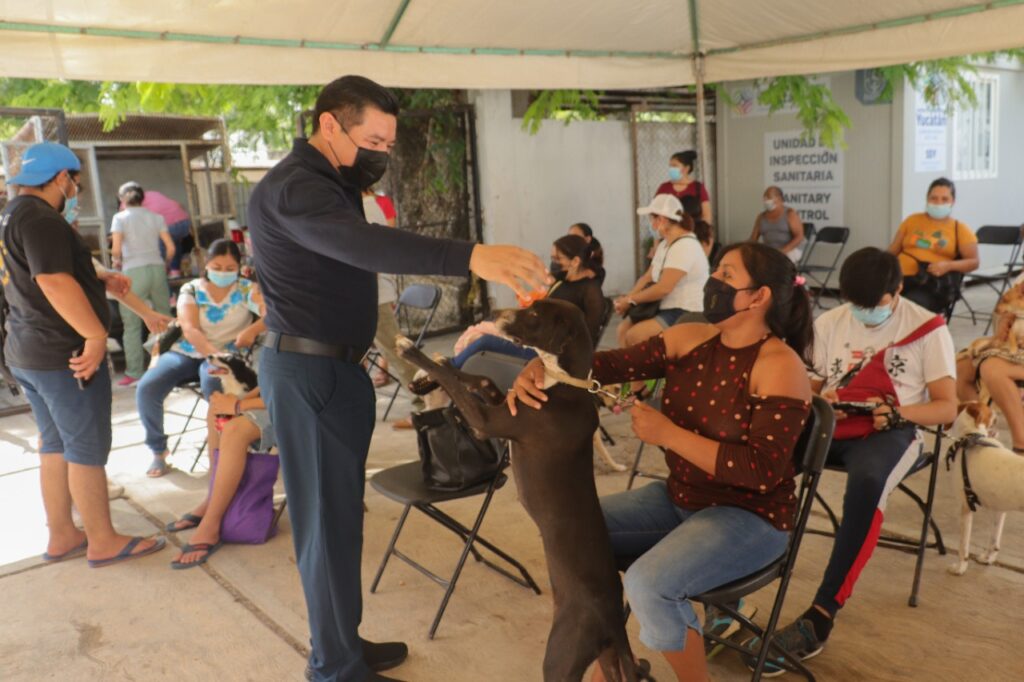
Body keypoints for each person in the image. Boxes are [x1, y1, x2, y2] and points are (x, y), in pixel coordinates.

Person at [246, 75, 548, 682]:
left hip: (333, 369)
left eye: (389, 143)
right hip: (310, 372)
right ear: (330, 124)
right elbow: (364, 246)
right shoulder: (297, 187)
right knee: (324, 526)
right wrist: (470, 256)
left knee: (340, 520)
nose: (382, 154)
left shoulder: (330, 181)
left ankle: (342, 644)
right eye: (373, 141)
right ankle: (335, 668)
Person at [508, 242, 814, 682]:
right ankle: (615, 665)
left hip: (751, 517)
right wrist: (541, 369)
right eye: (717, 271)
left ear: (758, 297)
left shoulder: (779, 365)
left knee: (648, 584)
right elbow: (601, 366)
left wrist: (669, 434)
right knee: (566, 532)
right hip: (680, 499)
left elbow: (761, 471)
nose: (713, 282)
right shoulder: (690, 338)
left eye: (727, 275)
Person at [752, 247, 956, 675]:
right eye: (855, 303)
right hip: (836, 422)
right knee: (762, 453)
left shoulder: (926, 328)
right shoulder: (830, 322)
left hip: (893, 430)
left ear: (897, 290)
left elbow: (946, 407)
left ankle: (821, 615)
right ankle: (728, 588)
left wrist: (899, 413)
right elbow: (807, 385)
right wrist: (821, 399)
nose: (864, 312)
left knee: (867, 482)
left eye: (873, 304)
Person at [0, 142, 165, 567]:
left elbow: (39, 274)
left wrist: (98, 277)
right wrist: (94, 335)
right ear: (61, 178)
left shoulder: (11, 215)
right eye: (75, 181)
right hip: (63, 354)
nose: (76, 190)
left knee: (54, 444)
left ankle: (62, 535)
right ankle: (102, 540)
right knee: (84, 448)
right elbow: (53, 281)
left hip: (28, 351)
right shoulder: (43, 219)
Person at [135, 239, 265, 478]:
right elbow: (189, 328)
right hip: (188, 351)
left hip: (228, 356)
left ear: (239, 267)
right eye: (217, 267)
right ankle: (158, 450)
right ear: (206, 264)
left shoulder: (247, 289)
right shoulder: (192, 289)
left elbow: (271, 314)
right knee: (147, 387)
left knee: (213, 383)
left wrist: (252, 330)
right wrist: (213, 355)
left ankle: (226, 449)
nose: (222, 273)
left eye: (229, 268)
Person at [166, 374, 275, 568]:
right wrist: (236, 400)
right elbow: (272, 381)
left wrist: (239, 405)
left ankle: (210, 525)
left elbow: (296, 392)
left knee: (235, 429)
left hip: (300, 408)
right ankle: (212, 499)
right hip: (277, 398)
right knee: (215, 410)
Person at [450, 234, 606, 367]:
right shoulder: (562, 279)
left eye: (558, 258)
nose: (554, 262)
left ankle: (450, 367)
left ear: (575, 261)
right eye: (552, 258)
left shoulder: (591, 290)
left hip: (551, 350)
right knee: (490, 321)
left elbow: (589, 335)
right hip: (536, 336)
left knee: (485, 342)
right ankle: (461, 369)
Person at [616, 194, 709, 348]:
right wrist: (627, 299)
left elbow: (663, 288)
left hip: (687, 310)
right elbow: (647, 277)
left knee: (635, 335)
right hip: (664, 306)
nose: (651, 225)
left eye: (652, 219)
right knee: (623, 329)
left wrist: (631, 300)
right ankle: (630, 364)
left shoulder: (685, 245)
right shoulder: (664, 244)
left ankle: (651, 364)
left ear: (662, 220)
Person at [110, 182, 175, 386]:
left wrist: (116, 262)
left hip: (133, 271)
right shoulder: (156, 217)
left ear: (122, 199)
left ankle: (135, 372)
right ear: (142, 198)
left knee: (132, 323)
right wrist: (165, 264)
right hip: (157, 269)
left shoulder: (120, 218)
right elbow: (170, 248)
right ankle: (169, 368)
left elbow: (116, 249)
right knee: (164, 319)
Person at [888, 177, 979, 313]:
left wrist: (948, 266)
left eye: (944, 199)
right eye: (934, 198)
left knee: (909, 306)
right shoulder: (912, 220)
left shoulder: (960, 229)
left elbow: (974, 262)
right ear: (927, 199)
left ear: (952, 202)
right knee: (875, 297)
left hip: (931, 284)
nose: (938, 203)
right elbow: (892, 251)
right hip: (898, 279)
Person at [956, 272, 1024, 452]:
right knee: (962, 368)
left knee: (992, 369)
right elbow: (1002, 313)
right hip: (1015, 346)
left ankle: (1021, 443)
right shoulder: (1021, 280)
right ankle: (983, 428)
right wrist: (1003, 324)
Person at [118, 181, 192, 275]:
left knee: (158, 246)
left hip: (169, 225)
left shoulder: (129, 200)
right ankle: (175, 272)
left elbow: (123, 218)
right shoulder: (153, 193)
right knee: (174, 245)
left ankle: (162, 271)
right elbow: (178, 205)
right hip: (184, 222)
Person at [749, 186, 805, 264]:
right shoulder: (761, 217)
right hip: (770, 252)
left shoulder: (790, 214)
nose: (766, 200)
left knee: (778, 263)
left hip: (789, 251)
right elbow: (753, 239)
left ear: (779, 198)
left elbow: (799, 237)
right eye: (764, 198)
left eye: (769, 197)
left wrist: (783, 251)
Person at [654, 150, 712, 224]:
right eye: (670, 166)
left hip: (693, 229)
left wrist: (703, 229)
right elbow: (654, 210)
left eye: (674, 166)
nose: (671, 169)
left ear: (686, 168)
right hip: (669, 230)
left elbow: (706, 215)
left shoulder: (698, 187)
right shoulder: (664, 187)